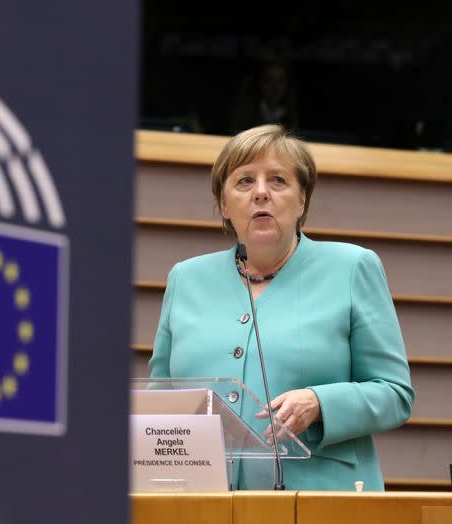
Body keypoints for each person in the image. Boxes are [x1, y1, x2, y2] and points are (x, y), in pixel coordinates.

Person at [148, 124, 414, 491]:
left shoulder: (352, 268)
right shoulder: (185, 279)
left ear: (302, 200)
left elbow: (395, 394)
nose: (260, 193)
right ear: (224, 204)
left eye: (278, 180)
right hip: (200, 503)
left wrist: (320, 401)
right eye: (244, 182)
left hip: (323, 503)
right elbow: (160, 400)